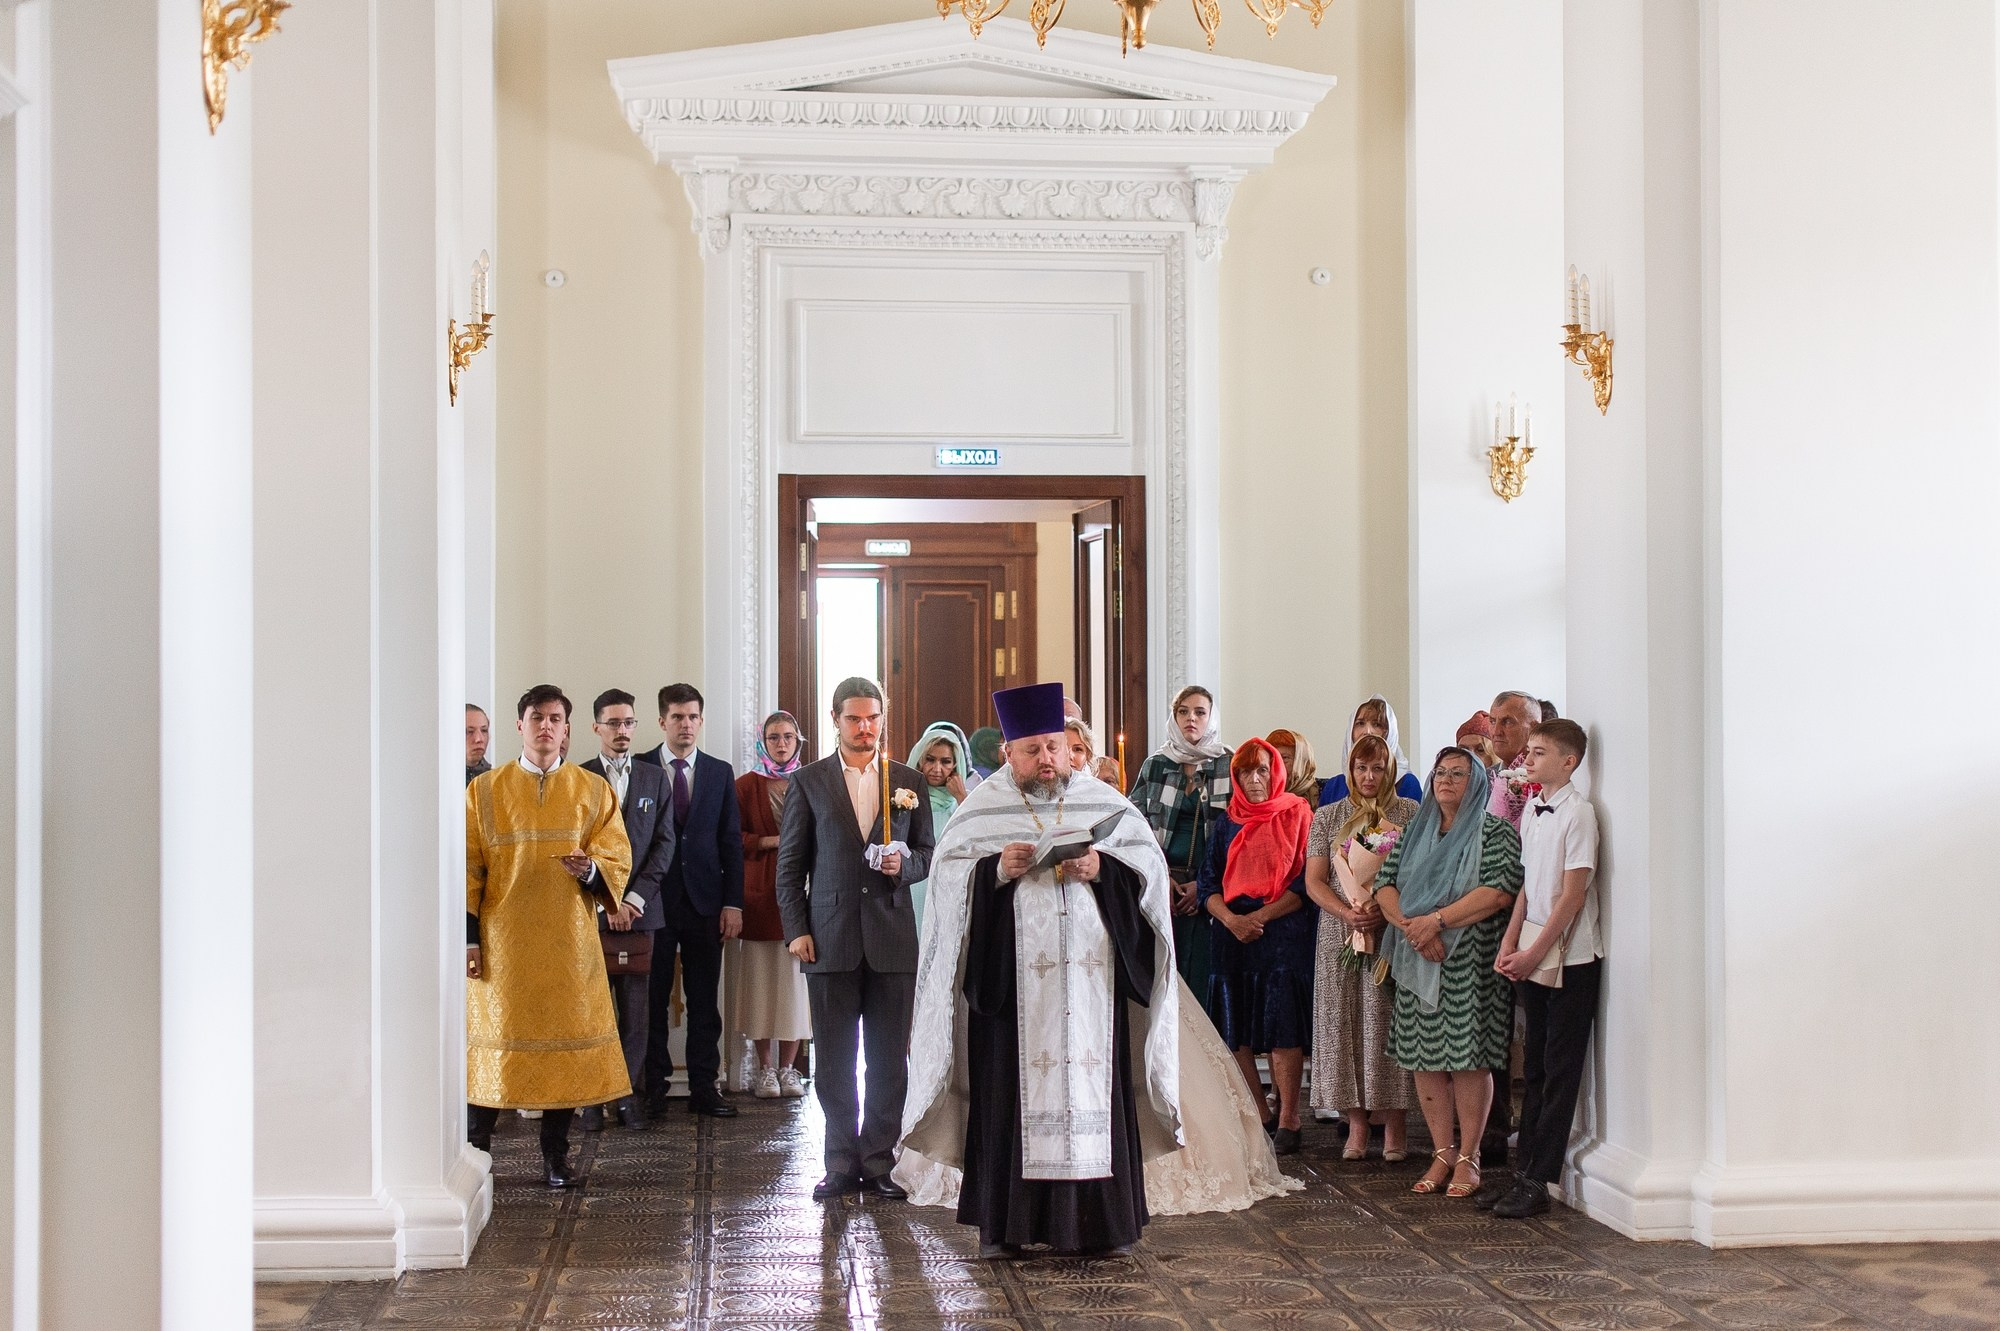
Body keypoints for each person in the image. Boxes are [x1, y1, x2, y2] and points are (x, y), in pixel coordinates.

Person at [902, 682, 1181, 1260]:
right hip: (1012, 997)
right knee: (1008, 1098)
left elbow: (1148, 877)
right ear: (1009, 752)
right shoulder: (980, 811)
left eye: (1054, 747)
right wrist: (995, 872)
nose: (1047, 760)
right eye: (1033, 750)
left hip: (1092, 992)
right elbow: (950, 885)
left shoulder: (1105, 805)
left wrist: (1103, 868)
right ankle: (1006, 1227)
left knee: (1093, 1095)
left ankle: (1100, 1225)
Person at [774, 676, 936, 1201]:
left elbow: (930, 855)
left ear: (883, 719)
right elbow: (790, 865)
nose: (864, 728)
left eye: (872, 718)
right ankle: (840, 1159)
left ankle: (879, 1160)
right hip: (829, 937)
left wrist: (904, 864)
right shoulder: (809, 782)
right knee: (836, 1059)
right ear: (835, 721)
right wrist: (797, 929)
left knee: (889, 1059)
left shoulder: (908, 780)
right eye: (854, 719)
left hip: (891, 937)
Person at [465, 685, 632, 1187]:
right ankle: (476, 1156)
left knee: (564, 1055)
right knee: (495, 1048)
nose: (545, 727)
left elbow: (617, 855)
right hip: (503, 944)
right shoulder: (485, 790)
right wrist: (469, 939)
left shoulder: (592, 789)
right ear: (519, 726)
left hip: (568, 943)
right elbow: (467, 869)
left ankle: (555, 1157)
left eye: (555, 719)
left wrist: (589, 872)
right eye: (536, 718)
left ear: (567, 729)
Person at [1375, 748, 1524, 1199]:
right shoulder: (1415, 831)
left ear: (1477, 782)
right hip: (1417, 955)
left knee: (1468, 1059)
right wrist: (1412, 928)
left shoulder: (1493, 831)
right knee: (1426, 1059)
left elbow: (1499, 893)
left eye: (1458, 773)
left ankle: (1470, 1156)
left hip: (1469, 964)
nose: (1446, 780)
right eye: (1440, 772)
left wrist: (1436, 922)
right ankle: (1442, 1151)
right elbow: (1384, 883)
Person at [1486, 720, 1600, 1219]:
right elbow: (1530, 885)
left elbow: (1573, 896)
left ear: (1569, 761)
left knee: (1558, 1070)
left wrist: (1535, 954)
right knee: (1531, 1067)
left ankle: (1540, 1178)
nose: (1526, 761)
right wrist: (1512, 941)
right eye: (1527, 753)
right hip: (1532, 947)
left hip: (1571, 959)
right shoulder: (1533, 807)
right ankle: (1521, 1170)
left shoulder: (1581, 815)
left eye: (1537, 753)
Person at [1196, 737, 1317, 1156]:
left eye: (1262, 770)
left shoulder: (1299, 813)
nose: (1254, 779)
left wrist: (1259, 918)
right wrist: (1232, 920)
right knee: (1236, 1026)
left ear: (1276, 773)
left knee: (1282, 1023)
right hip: (1231, 933)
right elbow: (1207, 883)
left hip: (1282, 929)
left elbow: (1305, 882)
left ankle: (1289, 1117)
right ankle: (1259, 1113)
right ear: (1235, 777)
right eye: (1245, 771)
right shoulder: (1225, 823)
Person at [1305, 733, 1419, 1160]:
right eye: (1360, 768)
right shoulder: (1329, 815)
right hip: (1340, 932)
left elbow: (1419, 872)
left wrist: (1382, 906)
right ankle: (1355, 1124)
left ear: (1389, 770)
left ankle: (1394, 1125)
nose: (1369, 776)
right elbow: (1314, 880)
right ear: (1350, 771)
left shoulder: (1408, 812)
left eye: (1377, 768)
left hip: (1390, 929)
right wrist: (1347, 911)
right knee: (1343, 1023)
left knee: (1387, 1021)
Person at [633, 683, 745, 1118]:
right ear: (662, 721)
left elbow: (730, 842)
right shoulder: (641, 767)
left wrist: (732, 903)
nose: (686, 724)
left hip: (705, 903)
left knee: (704, 1001)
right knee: (651, 999)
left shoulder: (719, 772)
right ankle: (653, 1087)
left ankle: (704, 1086)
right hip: (653, 903)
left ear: (701, 721)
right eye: (677, 717)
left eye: (693, 717)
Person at [578, 689, 676, 1131]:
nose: (622, 731)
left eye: (629, 723)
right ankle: (592, 1099)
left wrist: (632, 901)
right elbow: (574, 848)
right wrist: (606, 901)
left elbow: (663, 845)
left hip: (640, 916)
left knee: (638, 1013)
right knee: (593, 1010)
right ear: (596, 727)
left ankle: (628, 1097)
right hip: (590, 914)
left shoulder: (656, 779)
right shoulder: (577, 778)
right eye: (613, 723)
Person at [1128, 685, 1232, 1011]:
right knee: (1165, 982)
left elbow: (1237, 832)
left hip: (1211, 887)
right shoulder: (1156, 765)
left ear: (1211, 718)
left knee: (1202, 983)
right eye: (1183, 711)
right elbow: (1136, 827)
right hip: (1164, 884)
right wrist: (1160, 878)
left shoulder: (1227, 763)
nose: (1191, 719)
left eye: (1200, 712)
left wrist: (1202, 886)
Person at [732, 710, 812, 1101]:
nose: (781, 744)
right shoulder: (745, 786)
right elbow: (732, 836)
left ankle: (789, 1068)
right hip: (760, 895)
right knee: (762, 984)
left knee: (795, 987)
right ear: (762, 742)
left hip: (802, 896)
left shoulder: (811, 781)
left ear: (799, 741)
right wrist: (768, 843)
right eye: (774, 737)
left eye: (788, 737)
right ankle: (764, 1068)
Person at [906, 722, 972, 935]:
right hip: (914, 887)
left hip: (950, 888)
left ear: (956, 765)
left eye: (946, 762)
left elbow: (977, 841)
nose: (937, 769)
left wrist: (962, 797)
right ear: (919, 761)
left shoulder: (962, 804)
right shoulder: (905, 800)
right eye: (930, 760)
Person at [1318, 696, 1423, 806]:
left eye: (1376, 724)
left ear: (1389, 732)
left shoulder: (1407, 784)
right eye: (1360, 723)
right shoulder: (1334, 787)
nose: (1367, 731)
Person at [1265, 728, 1321, 807]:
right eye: (1272, 758)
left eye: (1284, 758)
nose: (1277, 764)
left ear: (1302, 762)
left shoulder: (1330, 793)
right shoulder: (1260, 795)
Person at [1064, 716, 1123, 787]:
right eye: (1064, 748)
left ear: (1088, 755)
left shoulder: (1096, 792)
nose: (1070, 756)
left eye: (1078, 749)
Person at [465, 704, 491, 784]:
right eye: (470, 732)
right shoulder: (439, 779)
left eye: (484, 730)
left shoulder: (496, 781)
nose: (479, 739)